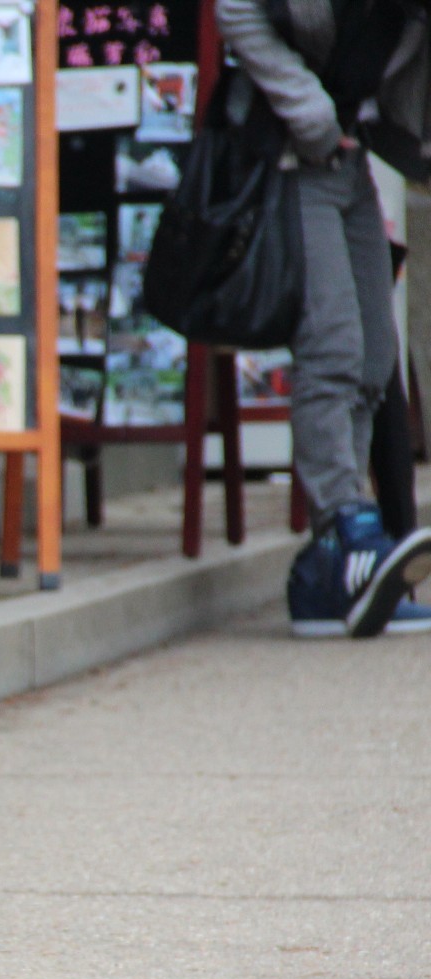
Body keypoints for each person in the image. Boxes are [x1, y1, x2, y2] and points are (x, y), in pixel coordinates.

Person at [218, 0, 431, 636]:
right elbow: (232, 8)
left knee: (372, 356)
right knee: (332, 349)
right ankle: (345, 528)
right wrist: (307, 110)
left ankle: (339, 563)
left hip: (349, 160)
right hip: (286, 159)